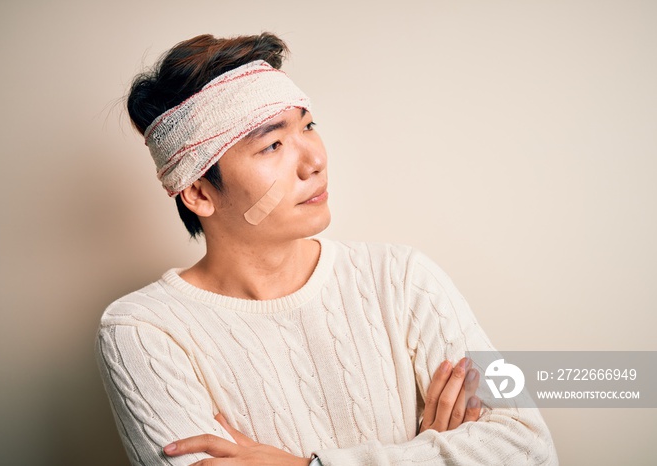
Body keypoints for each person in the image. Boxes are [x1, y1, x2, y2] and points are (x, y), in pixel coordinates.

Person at [96, 33, 558, 465]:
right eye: (272, 144)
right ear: (198, 192)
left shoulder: (401, 279)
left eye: (308, 125)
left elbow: (528, 445)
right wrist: (429, 452)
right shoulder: (144, 331)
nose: (315, 161)